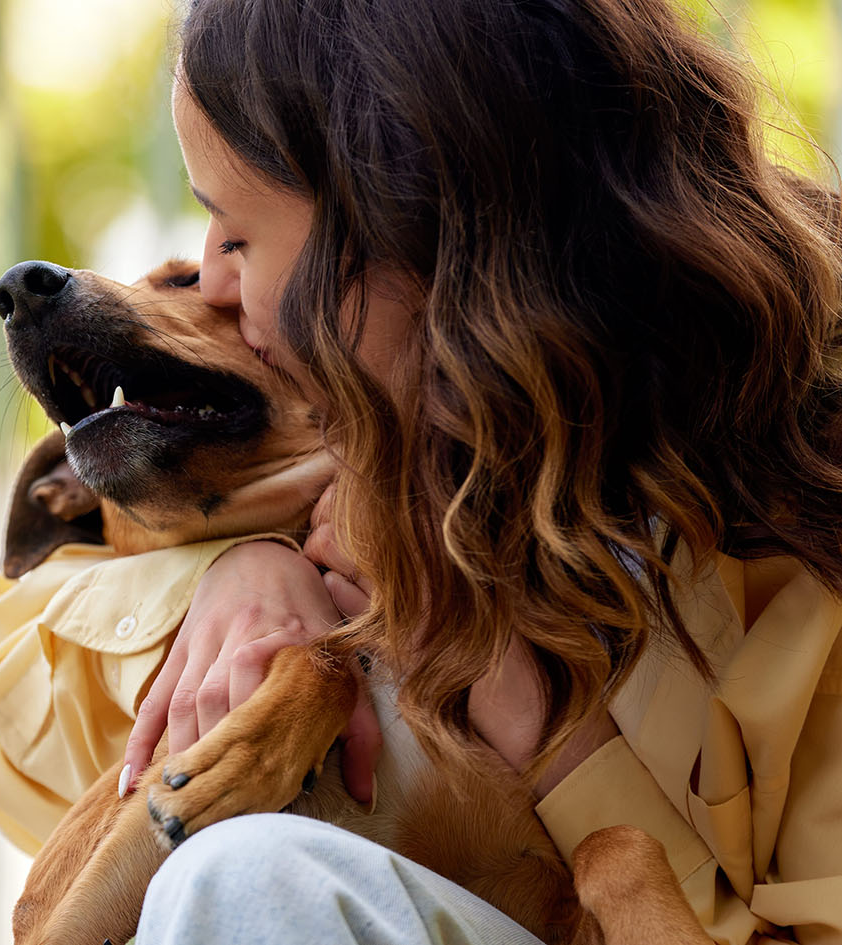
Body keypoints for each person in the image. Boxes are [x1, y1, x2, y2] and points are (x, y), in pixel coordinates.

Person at [119, 0, 842, 943]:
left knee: (248, 879)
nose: (211, 282)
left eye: (236, 234)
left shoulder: (796, 533)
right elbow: (20, 706)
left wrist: (532, 719)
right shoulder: (361, 478)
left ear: (407, 234)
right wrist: (246, 569)